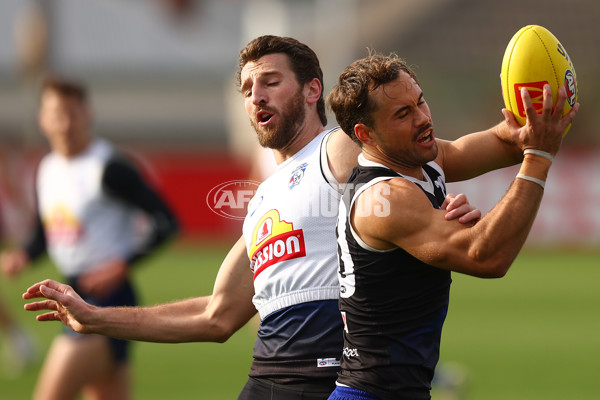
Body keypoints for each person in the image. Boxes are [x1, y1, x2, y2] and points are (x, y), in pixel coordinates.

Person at [24, 37, 487, 400]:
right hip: (265, 381)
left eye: (269, 81)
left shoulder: (339, 147)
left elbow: (446, 154)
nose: (255, 96)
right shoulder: (265, 194)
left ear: (312, 90)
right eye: (247, 89)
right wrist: (96, 317)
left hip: (328, 380)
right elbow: (216, 314)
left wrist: (523, 138)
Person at [325, 53, 579, 400]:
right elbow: (486, 256)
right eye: (403, 114)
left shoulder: (421, 162)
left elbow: (510, 140)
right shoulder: (383, 197)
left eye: (420, 102)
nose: (423, 118)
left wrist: (541, 112)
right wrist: (538, 158)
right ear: (365, 134)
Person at [0, 76, 179, 400]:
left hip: (108, 300)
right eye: (56, 113)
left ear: (87, 114)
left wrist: (120, 265)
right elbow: (46, 234)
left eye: (73, 112)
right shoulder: (47, 168)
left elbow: (167, 222)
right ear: (43, 119)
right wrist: (23, 255)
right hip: (71, 294)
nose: (65, 123)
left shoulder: (108, 167)